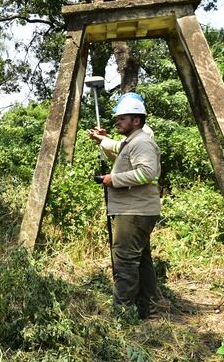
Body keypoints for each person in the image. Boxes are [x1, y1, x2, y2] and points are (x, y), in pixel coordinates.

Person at [87, 93, 161, 319]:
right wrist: (103, 141)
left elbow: (147, 172)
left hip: (134, 211)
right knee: (142, 261)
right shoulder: (132, 142)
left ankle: (122, 315)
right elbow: (121, 153)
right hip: (136, 209)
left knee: (125, 262)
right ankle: (148, 308)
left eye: (122, 118)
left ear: (136, 120)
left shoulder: (142, 142)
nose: (117, 121)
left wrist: (113, 180)